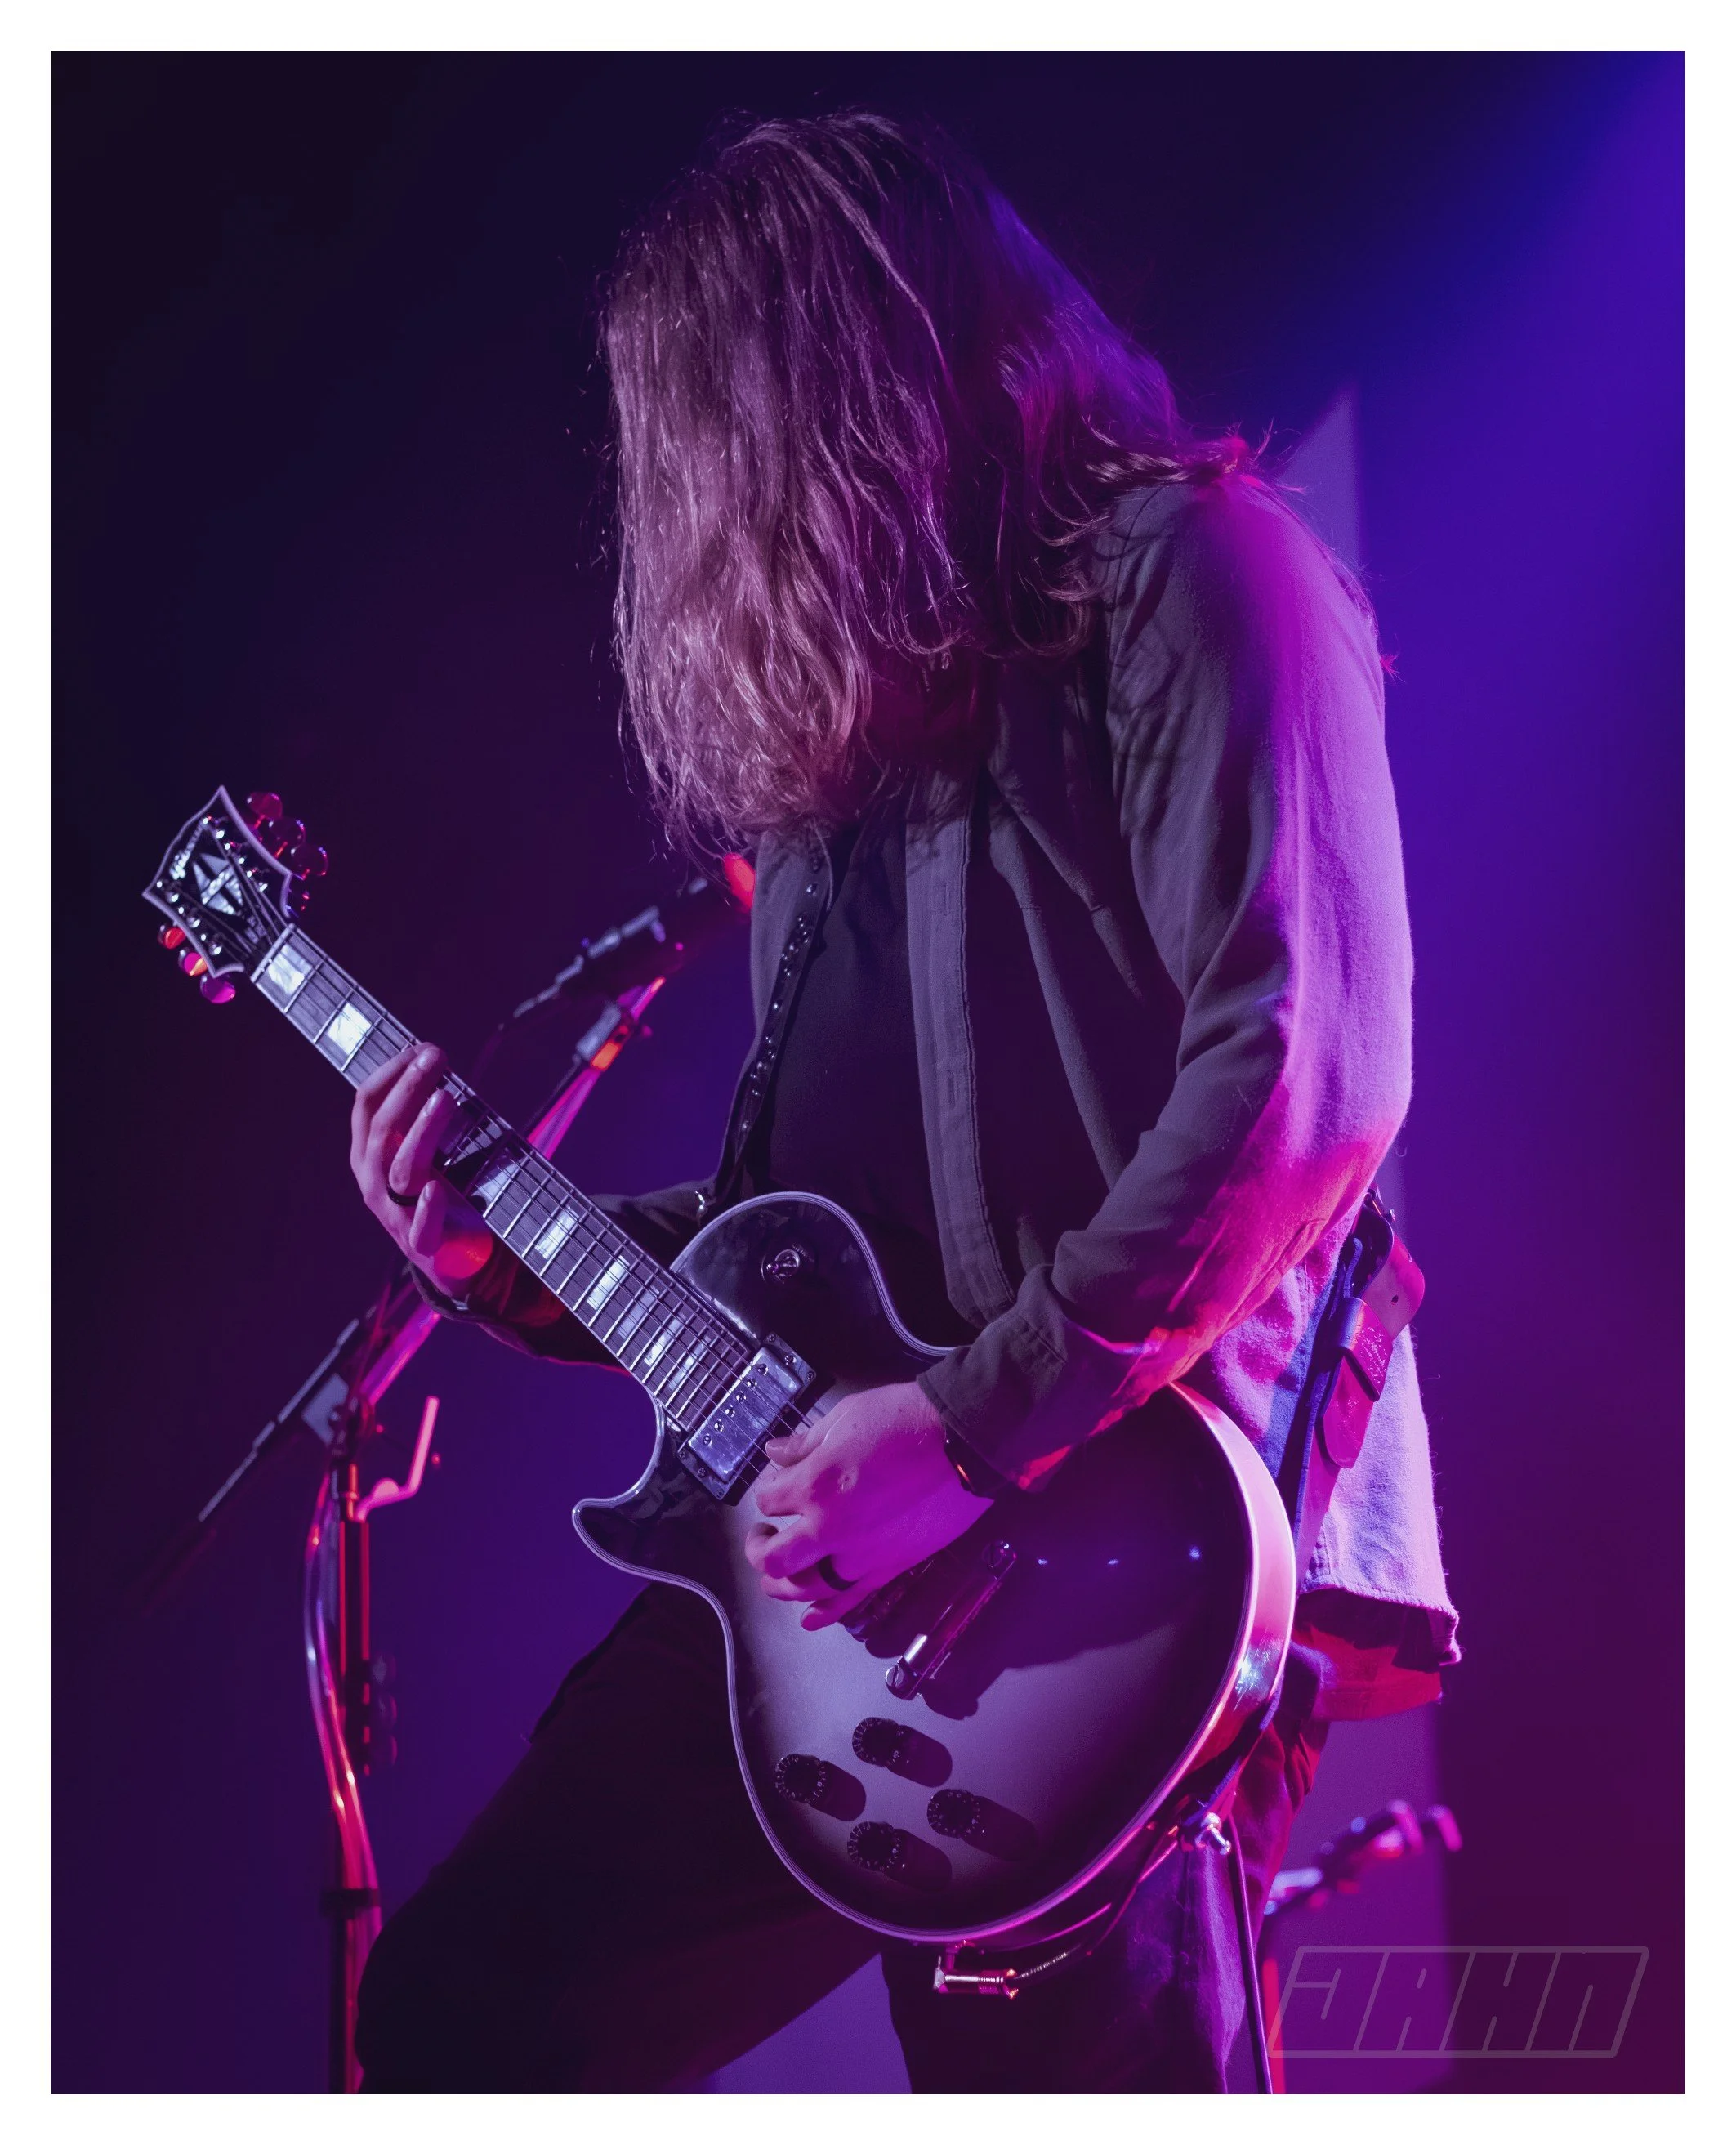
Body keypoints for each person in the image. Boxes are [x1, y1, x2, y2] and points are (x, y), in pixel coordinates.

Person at [346, 111, 1458, 2092]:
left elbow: (1305, 1077)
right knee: (456, 2024)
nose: (685, 510)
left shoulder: (1210, 576)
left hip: (1128, 1562)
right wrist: (495, 1253)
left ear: (833, 386)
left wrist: (963, 1430)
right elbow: (795, 1252)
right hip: (850, 1575)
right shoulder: (843, 773)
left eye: (700, 429)